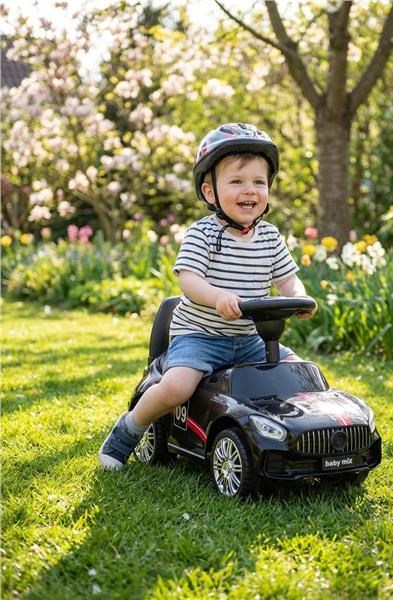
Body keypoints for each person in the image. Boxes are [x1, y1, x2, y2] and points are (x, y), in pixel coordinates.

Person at [99, 122, 317, 470]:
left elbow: (287, 281)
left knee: (301, 377)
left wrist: (300, 298)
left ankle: (298, 442)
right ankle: (129, 429)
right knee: (177, 389)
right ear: (210, 192)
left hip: (251, 340)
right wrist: (217, 298)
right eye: (237, 181)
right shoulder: (202, 234)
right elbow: (189, 281)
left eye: (259, 182)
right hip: (200, 336)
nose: (250, 190)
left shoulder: (270, 237)